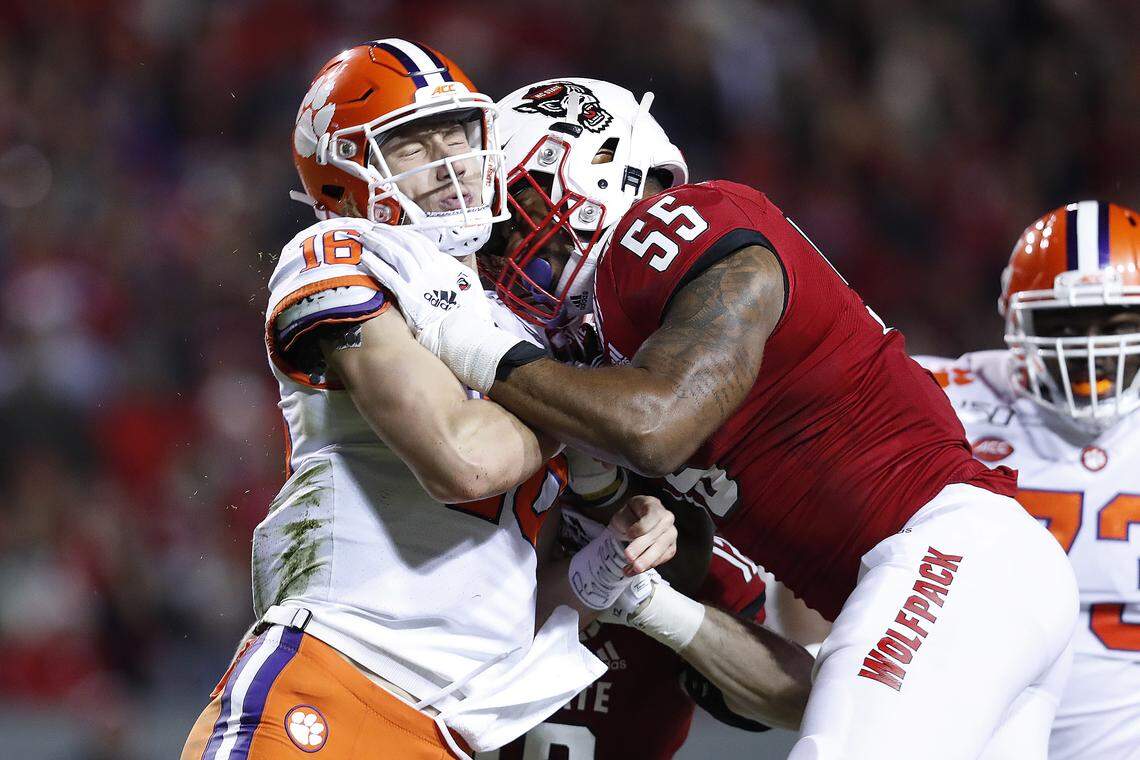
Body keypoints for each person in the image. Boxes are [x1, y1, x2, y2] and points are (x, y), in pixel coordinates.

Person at [362, 77, 1080, 758]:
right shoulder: (615, 352)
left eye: (518, 214)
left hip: (949, 554)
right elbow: (802, 689)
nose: (509, 254)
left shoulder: (677, 228)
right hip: (963, 582)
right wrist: (644, 597)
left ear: (595, 172)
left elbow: (655, 426)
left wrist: (478, 345)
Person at [181, 47, 677, 760]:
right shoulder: (343, 250)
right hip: (331, 688)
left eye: (458, 133)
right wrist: (582, 402)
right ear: (342, 179)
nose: (447, 160)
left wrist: (612, 545)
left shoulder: (518, 328)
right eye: (411, 140)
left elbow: (494, 566)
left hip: (453, 730)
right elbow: (463, 461)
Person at [917, 201, 1140, 760]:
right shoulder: (945, 396)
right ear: (1015, 320)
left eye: (1116, 323)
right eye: (1064, 324)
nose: (1092, 349)